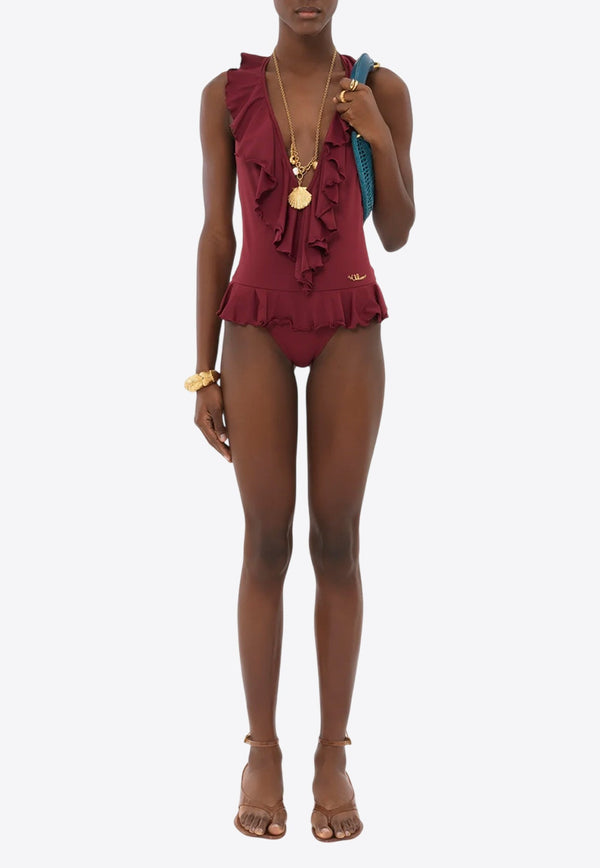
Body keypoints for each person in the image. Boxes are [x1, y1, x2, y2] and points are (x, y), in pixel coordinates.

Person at [186, 0, 414, 842]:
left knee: (338, 542)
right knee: (266, 542)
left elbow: (398, 233)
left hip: (350, 322)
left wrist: (378, 135)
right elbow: (216, 235)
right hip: (253, 328)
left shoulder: (382, 88)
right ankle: (263, 751)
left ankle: (331, 754)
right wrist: (203, 370)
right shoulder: (226, 95)